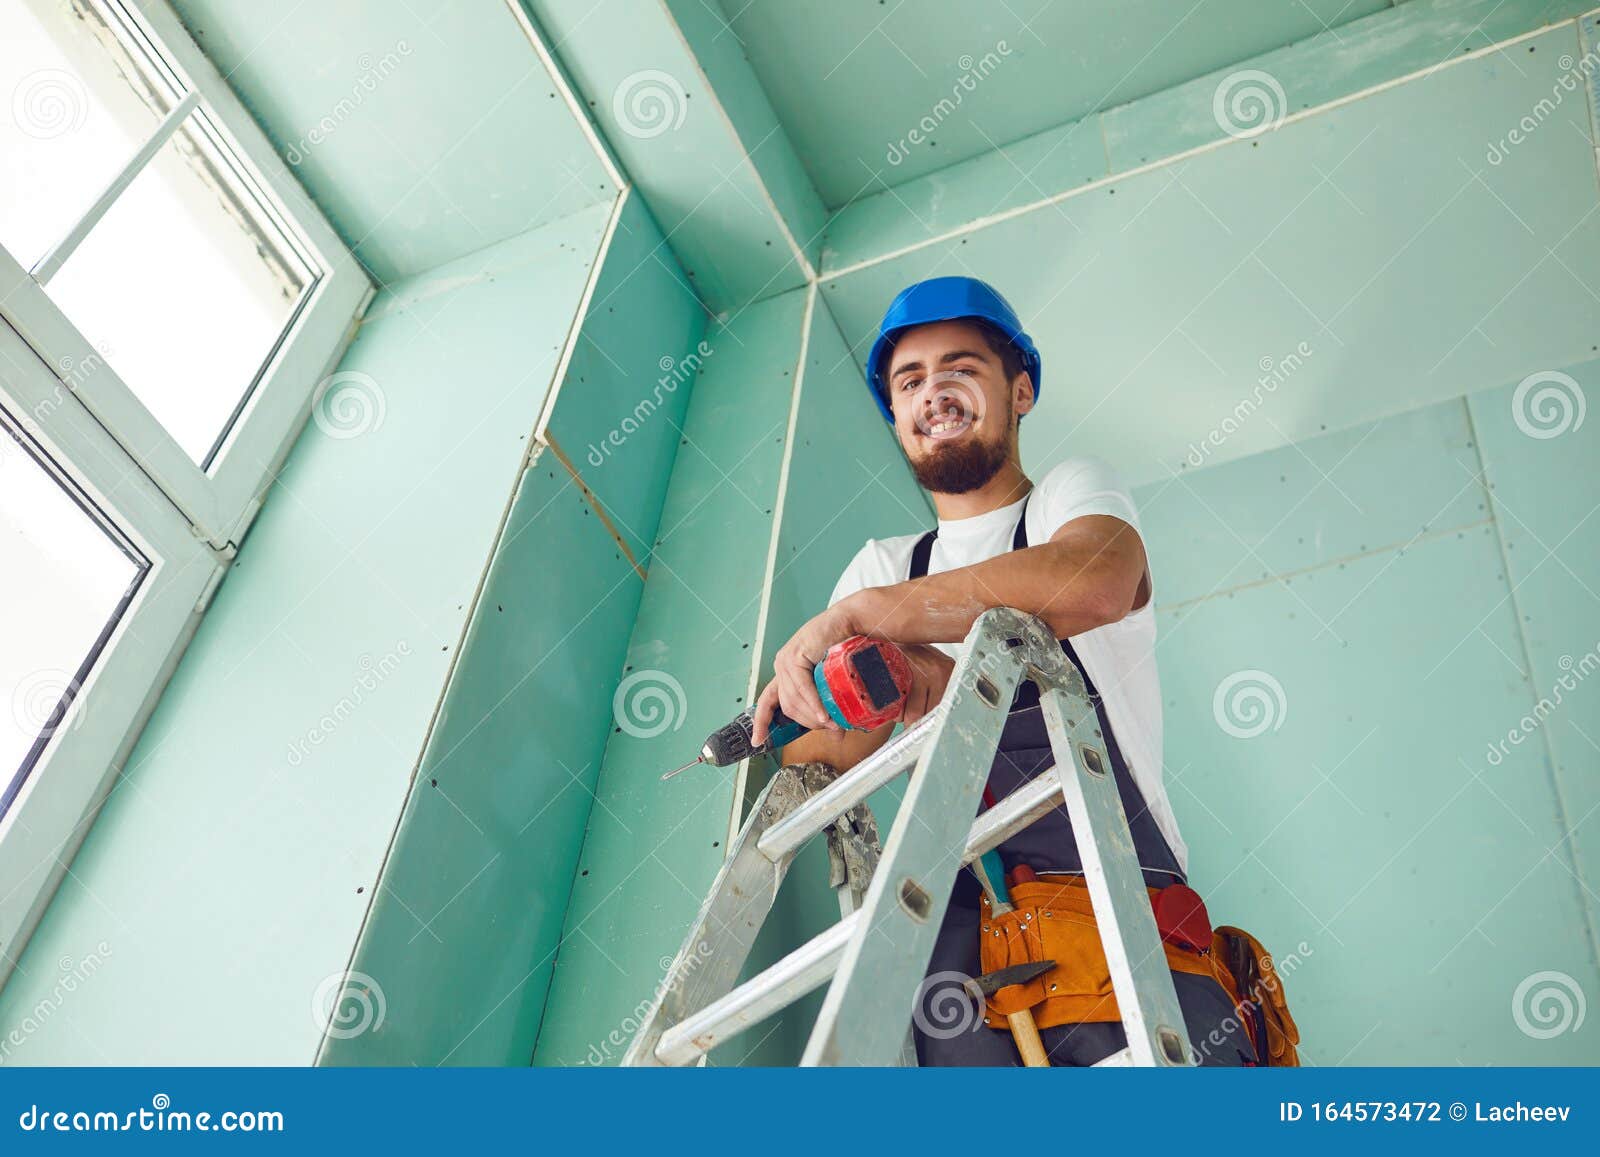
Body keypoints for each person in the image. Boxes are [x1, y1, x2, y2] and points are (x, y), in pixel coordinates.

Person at [750, 276, 1256, 1067]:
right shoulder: (886, 563)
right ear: (895, 415)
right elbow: (821, 762)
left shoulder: (1064, 499)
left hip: (1117, 923)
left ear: (1020, 389)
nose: (933, 393)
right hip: (960, 963)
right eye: (909, 381)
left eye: (961, 368)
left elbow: (1095, 579)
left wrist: (865, 617)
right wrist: (867, 688)